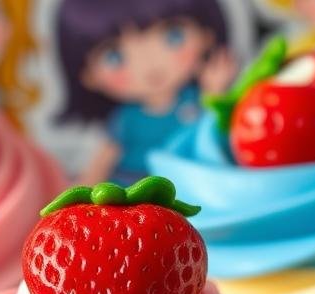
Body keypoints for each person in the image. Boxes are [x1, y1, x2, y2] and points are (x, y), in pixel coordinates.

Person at [56, 0, 237, 186]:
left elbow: (212, 133)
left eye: (173, 36)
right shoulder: (126, 119)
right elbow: (104, 158)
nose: (149, 63)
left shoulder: (195, 101)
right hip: (134, 188)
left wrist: (214, 91)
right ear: (88, 76)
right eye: (114, 56)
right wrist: (84, 190)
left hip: (188, 181)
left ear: (207, 35)